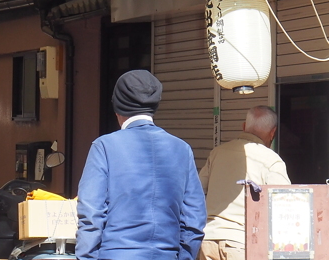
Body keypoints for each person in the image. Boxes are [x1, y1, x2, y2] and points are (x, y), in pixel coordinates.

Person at [76, 69, 206, 260]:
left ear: (117, 108)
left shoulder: (104, 147)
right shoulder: (182, 149)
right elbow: (194, 219)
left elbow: (91, 214)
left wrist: (86, 257)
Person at [198, 106, 290, 260]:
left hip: (208, 239)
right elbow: (285, 204)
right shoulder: (272, 161)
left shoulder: (217, 153)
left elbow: (196, 190)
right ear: (273, 132)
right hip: (242, 244)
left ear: (244, 126)